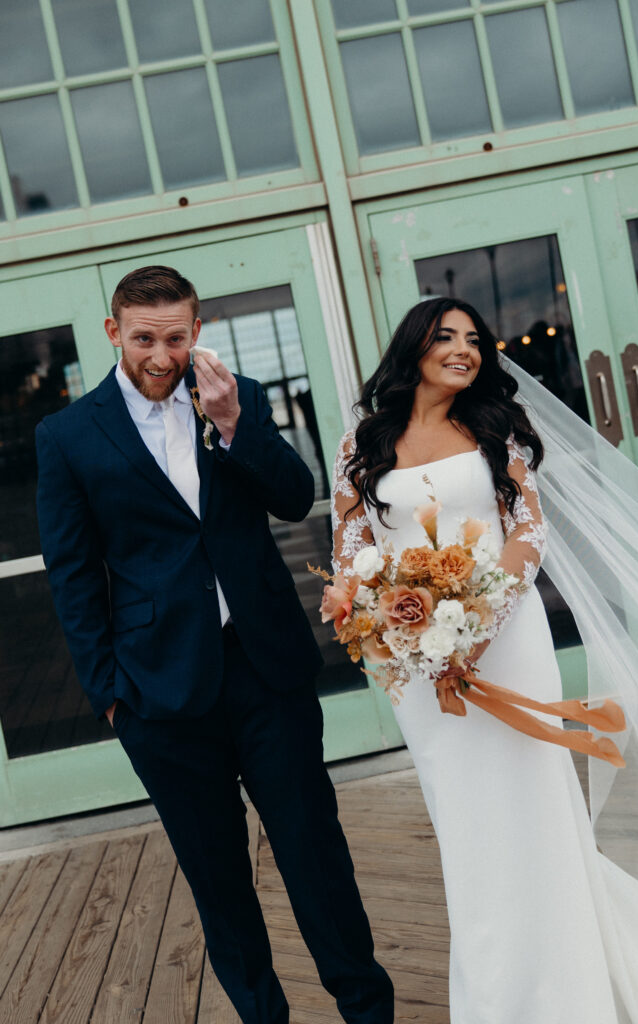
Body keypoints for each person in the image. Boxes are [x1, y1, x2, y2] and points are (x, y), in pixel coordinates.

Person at [35, 266, 393, 1024]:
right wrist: (110, 696)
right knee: (217, 878)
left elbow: (295, 497)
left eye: (174, 336)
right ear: (113, 334)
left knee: (313, 854)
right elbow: (71, 574)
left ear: (195, 332)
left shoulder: (241, 397)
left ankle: (367, 1010)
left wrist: (232, 425)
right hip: (158, 692)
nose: (160, 354)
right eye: (143, 338)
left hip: (267, 672)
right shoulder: (65, 436)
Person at [331, 296, 638, 1023]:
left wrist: (479, 621)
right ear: (414, 348)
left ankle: (570, 988)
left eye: (473, 340)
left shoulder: (495, 431)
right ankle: (498, 1000)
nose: (462, 349)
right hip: (420, 669)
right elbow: (351, 555)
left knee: (534, 809)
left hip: (510, 640)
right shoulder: (360, 444)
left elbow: (527, 532)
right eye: (445, 337)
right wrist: (390, 625)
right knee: (467, 825)